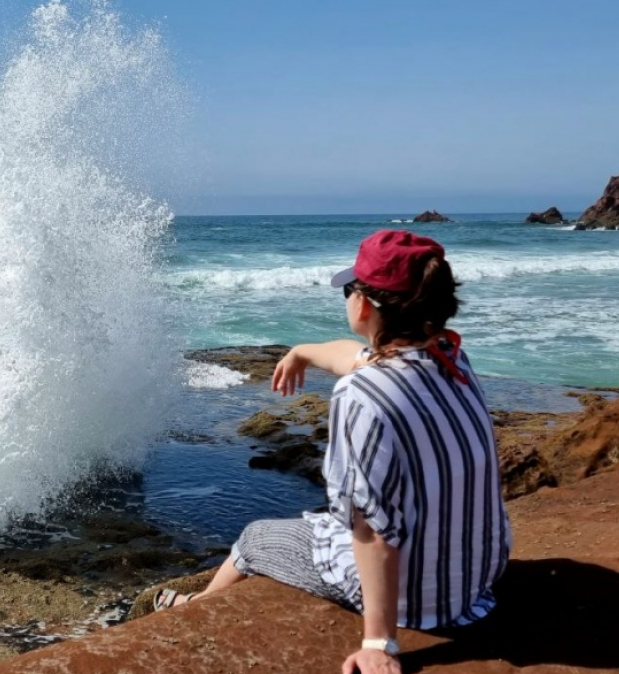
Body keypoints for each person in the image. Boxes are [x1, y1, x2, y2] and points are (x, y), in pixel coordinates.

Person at [153, 230, 511, 674]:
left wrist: (378, 643)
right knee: (335, 518)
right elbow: (355, 357)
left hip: (418, 600)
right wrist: (302, 352)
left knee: (254, 538)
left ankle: (194, 606)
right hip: (478, 578)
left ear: (363, 306)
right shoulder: (451, 359)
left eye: (350, 290)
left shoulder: (361, 394)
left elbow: (371, 526)